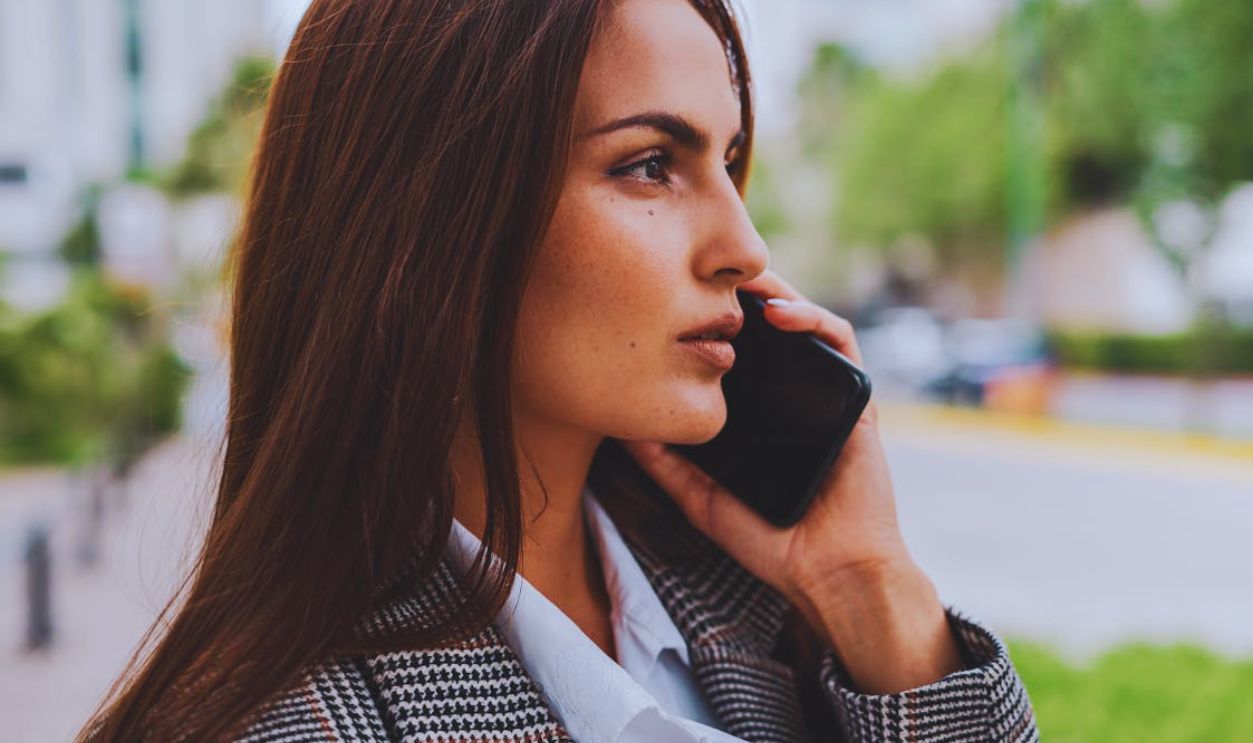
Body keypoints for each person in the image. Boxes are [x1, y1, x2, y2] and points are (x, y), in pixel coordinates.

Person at [80, 0, 1040, 740]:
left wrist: (866, 586)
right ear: (434, 220)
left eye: (729, 159)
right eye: (650, 163)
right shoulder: (295, 722)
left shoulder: (758, 616)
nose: (743, 245)